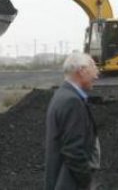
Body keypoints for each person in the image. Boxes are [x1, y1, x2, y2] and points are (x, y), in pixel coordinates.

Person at [44, 52, 100, 190]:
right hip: (69, 183)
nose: (97, 75)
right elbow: (73, 150)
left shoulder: (63, 95)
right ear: (82, 71)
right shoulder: (71, 101)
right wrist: (87, 181)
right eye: (94, 67)